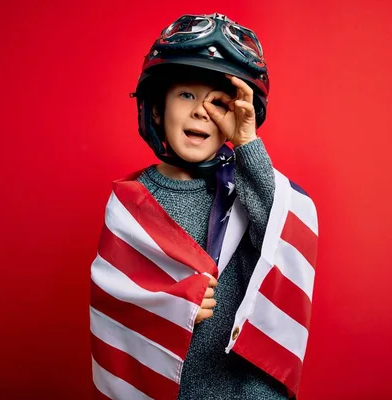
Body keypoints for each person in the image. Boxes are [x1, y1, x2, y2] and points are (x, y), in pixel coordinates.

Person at [90, 13, 318, 400]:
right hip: (170, 389)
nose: (200, 111)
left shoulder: (247, 187)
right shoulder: (131, 202)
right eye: (186, 95)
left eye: (216, 102)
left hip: (245, 389)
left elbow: (282, 238)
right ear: (157, 109)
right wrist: (171, 307)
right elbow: (114, 299)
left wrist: (247, 143)